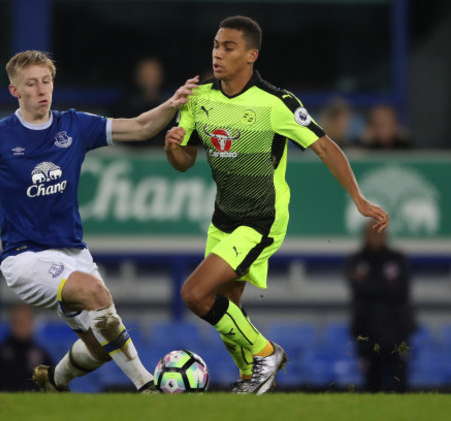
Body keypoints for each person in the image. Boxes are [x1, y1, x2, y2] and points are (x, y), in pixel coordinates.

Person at [0, 50, 199, 393]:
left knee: (101, 347)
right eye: (31, 83)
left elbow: (141, 126)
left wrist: (172, 103)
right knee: (96, 293)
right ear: (15, 91)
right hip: (25, 258)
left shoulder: (74, 125)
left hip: (74, 252)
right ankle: (147, 387)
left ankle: (55, 381)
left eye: (47, 81)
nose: (42, 90)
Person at [164, 16, 389, 395]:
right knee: (226, 309)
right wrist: (173, 146)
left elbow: (324, 146)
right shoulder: (198, 95)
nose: (218, 53)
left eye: (228, 47)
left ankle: (268, 353)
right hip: (224, 218)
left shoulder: (276, 102)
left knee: (194, 294)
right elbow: (184, 163)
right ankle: (250, 380)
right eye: (216, 45)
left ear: (251, 55)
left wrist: (359, 198)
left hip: (261, 219)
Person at [346, 222, 415, 392]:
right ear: (365, 236)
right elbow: (358, 289)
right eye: (372, 234)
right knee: (371, 382)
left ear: (386, 236)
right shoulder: (356, 260)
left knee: (399, 380)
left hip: (397, 330)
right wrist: (386, 285)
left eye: (379, 234)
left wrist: (368, 283)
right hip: (366, 331)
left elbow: (401, 291)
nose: (376, 238)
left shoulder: (398, 258)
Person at [0, 304, 53, 391]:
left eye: (24, 322)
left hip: (32, 403)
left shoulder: (42, 356)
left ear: (31, 323)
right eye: (17, 322)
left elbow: (53, 385)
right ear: (11, 324)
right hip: (1, 402)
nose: (21, 326)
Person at [115, 57, 169, 148]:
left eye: (153, 74)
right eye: (145, 74)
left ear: (161, 76)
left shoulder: (172, 106)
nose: (149, 79)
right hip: (131, 154)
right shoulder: (126, 106)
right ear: (138, 77)